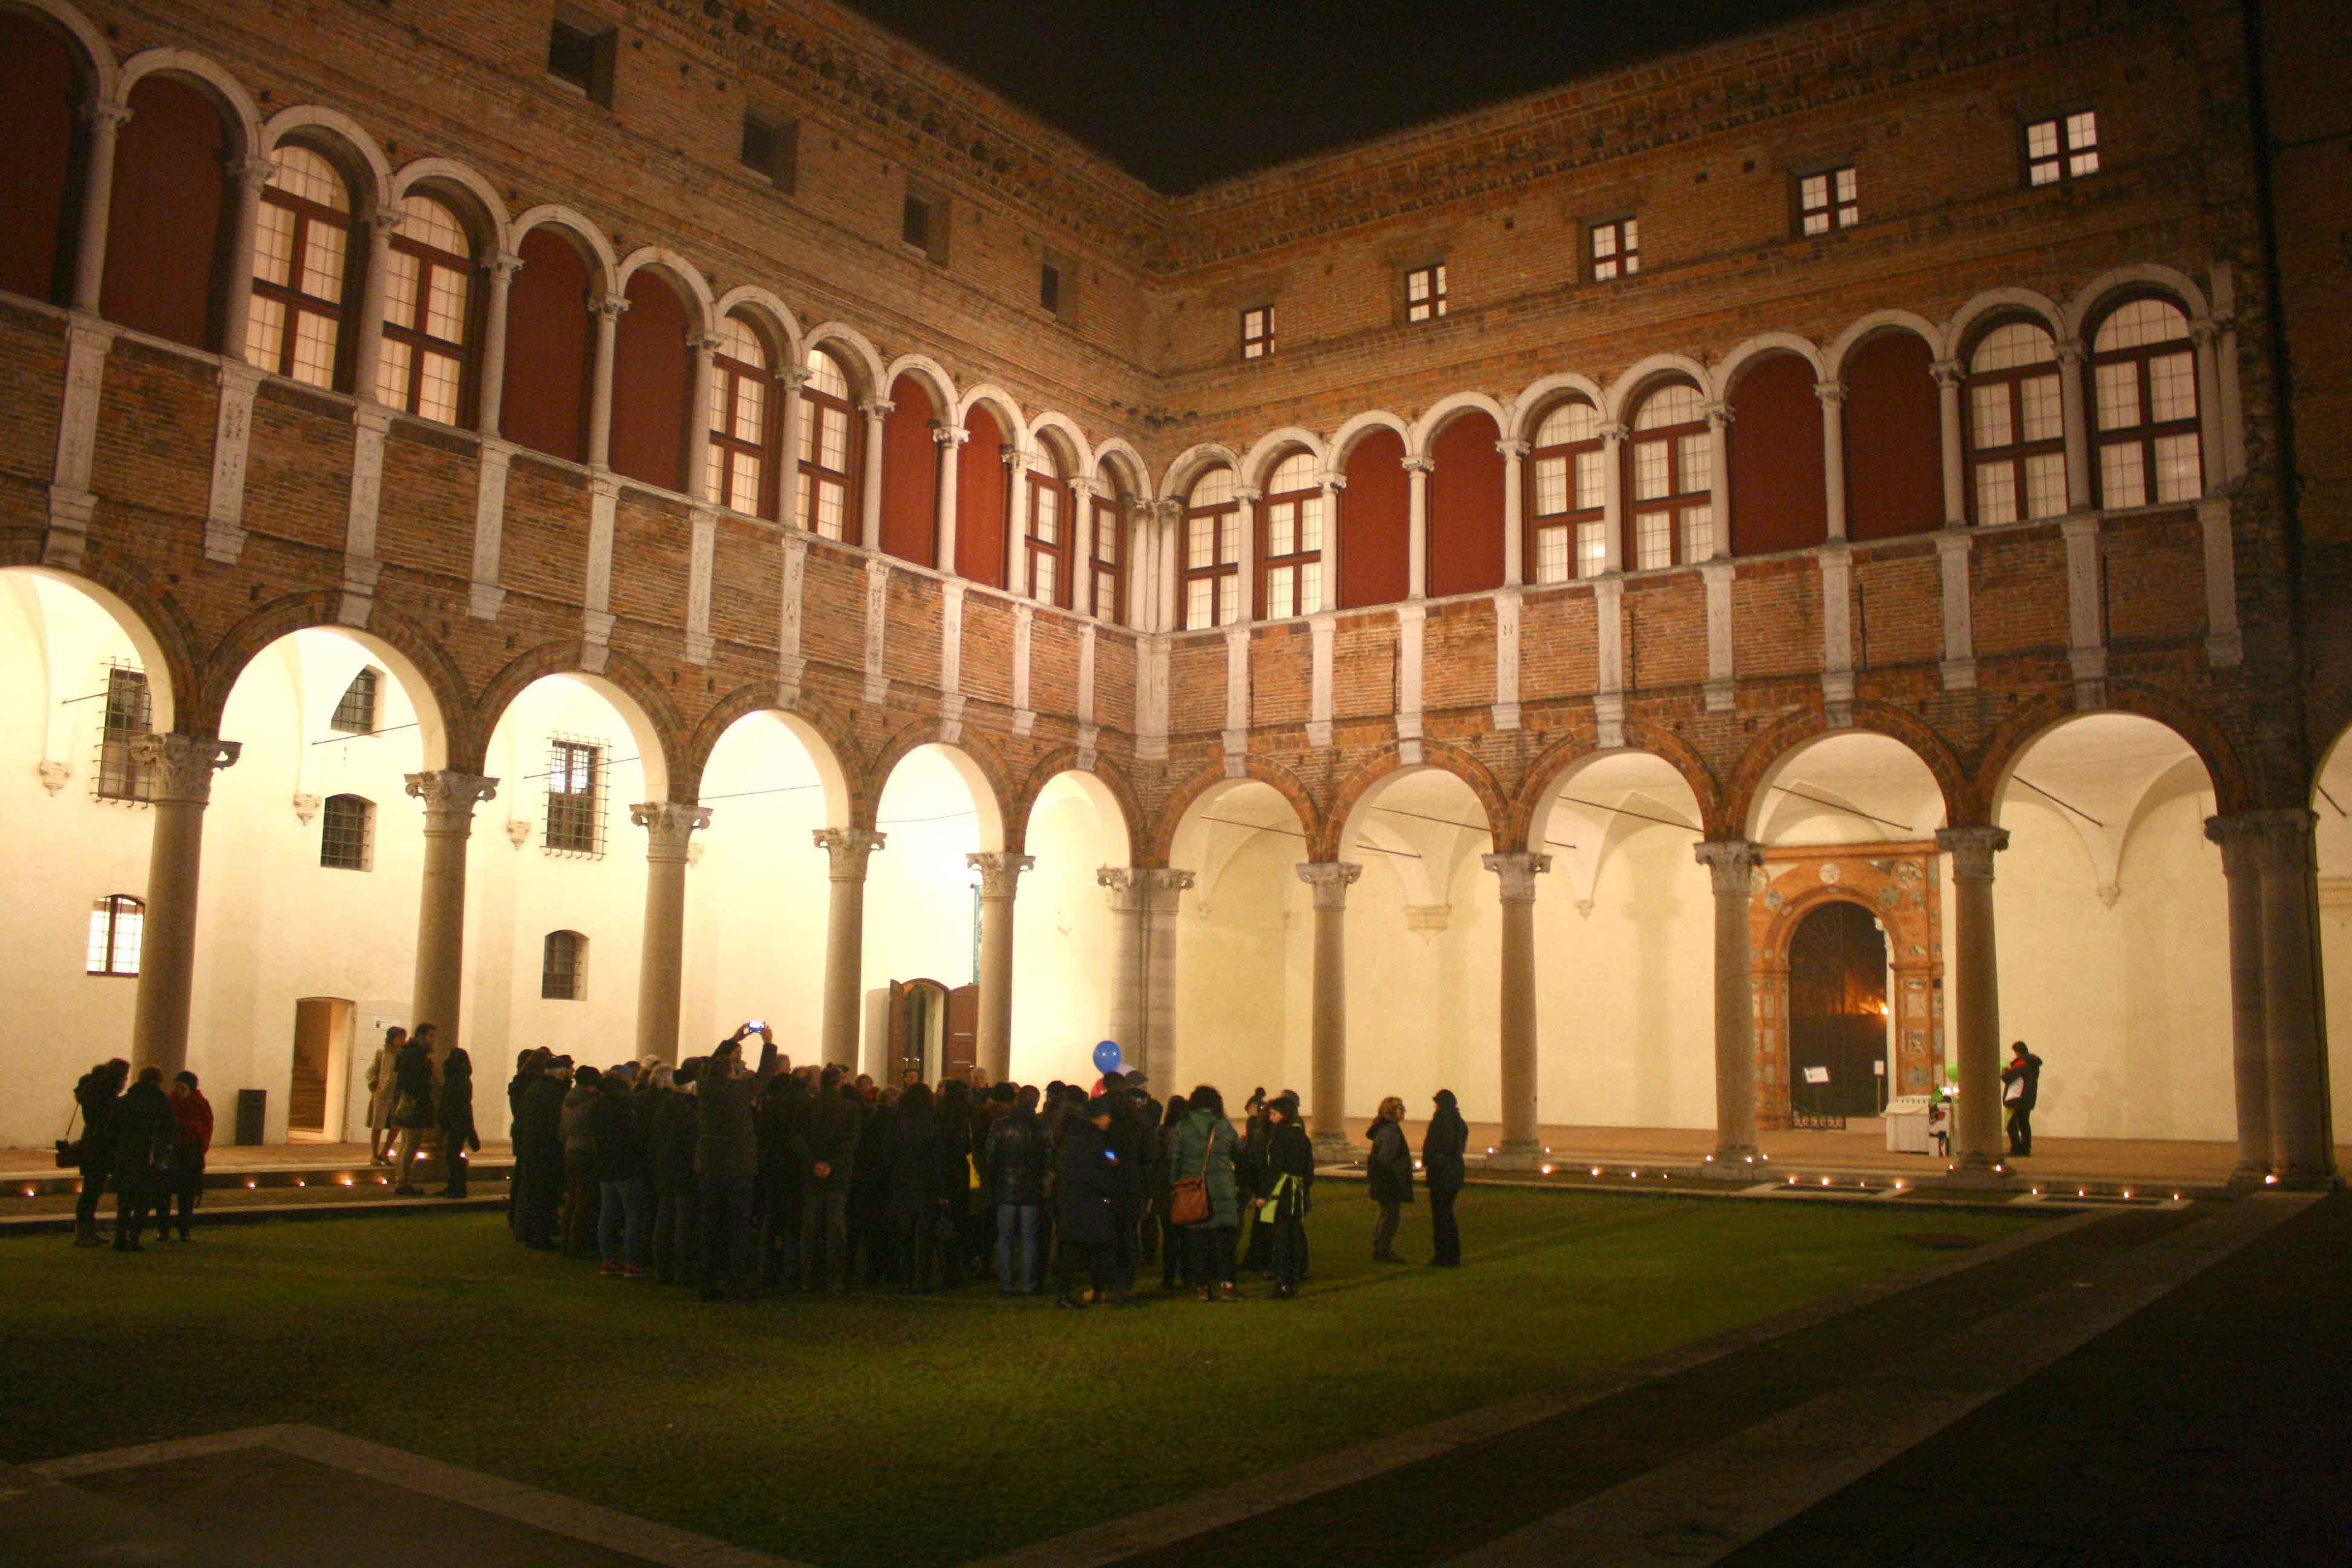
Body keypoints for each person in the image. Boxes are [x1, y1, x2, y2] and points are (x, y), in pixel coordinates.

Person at [694, 1024, 780, 1300]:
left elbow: (708, 1065)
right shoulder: (739, 1091)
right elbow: (766, 1074)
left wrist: (733, 1040)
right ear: (732, 1073)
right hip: (738, 1167)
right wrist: (768, 1043)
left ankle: (707, 1283)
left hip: (709, 1164)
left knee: (709, 1225)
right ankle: (735, 1283)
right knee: (738, 1228)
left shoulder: (706, 1089)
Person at [1171, 1085, 1240, 1302]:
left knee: (1199, 1244)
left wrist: (1175, 1185)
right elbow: (1239, 1153)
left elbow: (1176, 1160)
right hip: (1223, 1191)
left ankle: (1202, 1287)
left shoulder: (1184, 1128)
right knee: (1226, 1244)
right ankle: (1227, 1286)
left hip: (1194, 1192)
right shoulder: (1225, 1127)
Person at [1053, 1094, 1120, 1308]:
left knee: (1069, 1250)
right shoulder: (1096, 1140)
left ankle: (1064, 1294)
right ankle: (1099, 1291)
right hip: (1092, 1201)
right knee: (1101, 1248)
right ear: (1100, 1117)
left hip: (1070, 1199)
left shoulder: (1071, 1137)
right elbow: (1096, 1173)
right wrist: (1111, 1180)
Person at [799, 1064, 860, 1292]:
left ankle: (808, 1278)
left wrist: (814, 1162)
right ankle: (835, 1279)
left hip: (812, 1172)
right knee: (836, 1227)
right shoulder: (850, 1108)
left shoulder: (807, 1106)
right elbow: (850, 1143)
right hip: (838, 1174)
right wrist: (831, 1164)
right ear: (840, 1082)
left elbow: (798, 1137)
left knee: (811, 1226)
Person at [985, 1084, 1049, 1294]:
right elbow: (1049, 1159)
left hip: (1005, 1186)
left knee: (1005, 1237)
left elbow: (990, 1157)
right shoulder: (1041, 1127)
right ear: (1036, 1102)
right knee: (1029, 1237)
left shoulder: (1000, 1125)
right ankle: (1026, 1282)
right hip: (1031, 1187)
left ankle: (1006, 1282)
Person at [595, 1061, 651, 1278]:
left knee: (607, 1214)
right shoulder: (629, 1103)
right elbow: (636, 1134)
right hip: (627, 1165)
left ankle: (608, 1260)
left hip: (606, 1165)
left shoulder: (598, 1104)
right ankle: (632, 1262)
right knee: (633, 1216)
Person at [111, 1065, 176, 1252]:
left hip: (126, 1155)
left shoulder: (127, 1100)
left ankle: (120, 1238)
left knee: (124, 1200)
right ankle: (134, 1238)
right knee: (143, 1200)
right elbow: (170, 1128)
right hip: (148, 1157)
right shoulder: (161, 1101)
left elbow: (114, 1127)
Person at [887, 1081, 942, 1290]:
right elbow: (936, 1159)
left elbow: (888, 1153)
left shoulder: (897, 1122)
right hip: (925, 1183)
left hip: (901, 1180)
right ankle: (922, 1277)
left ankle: (906, 1276)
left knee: (905, 1233)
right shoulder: (932, 1123)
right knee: (924, 1233)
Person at [1258, 1093, 1314, 1298]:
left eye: (1274, 1114)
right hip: (1297, 1192)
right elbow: (1309, 1171)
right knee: (1295, 1234)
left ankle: (1282, 1281)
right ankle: (1294, 1274)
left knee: (1281, 1238)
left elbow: (1275, 1168)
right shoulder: (1302, 1137)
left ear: (1283, 1115)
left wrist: (1264, 1195)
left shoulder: (1280, 1136)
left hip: (1282, 1192)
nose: (1271, 1118)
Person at [651, 1060, 702, 1284]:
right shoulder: (691, 1110)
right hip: (684, 1171)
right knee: (684, 1224)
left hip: (664, 1168)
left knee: (664, 1220)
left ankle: (662, 1269)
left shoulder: (664, 1105)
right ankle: (682, 1271)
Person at [70, 1058, 127, 1248]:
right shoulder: (104, 1095)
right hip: (99, 1146)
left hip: (92, 1144)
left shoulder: (92, 1092)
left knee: (92, 1190)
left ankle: (87, 1231)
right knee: (92, 1190)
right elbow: (107, 1121)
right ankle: (83, 1233)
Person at [515, 1056, 570, 1248]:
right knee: (545, 1194)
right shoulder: (556, 1092)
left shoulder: (535, 1088)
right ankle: (540, 1236)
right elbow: (557, 1122)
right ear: (561, 1073)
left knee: (531, 1192)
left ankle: (527, 1231)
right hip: (548, 1149)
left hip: (532, 1146)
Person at [388, 1023, 439, 1195]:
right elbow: (413, 1080)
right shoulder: (415, 1055)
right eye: (431, 1036)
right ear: (421, 1036)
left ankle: (401, 1178)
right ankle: (402, 1182)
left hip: (412, 1102)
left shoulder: (410, 1052)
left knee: (408, 1142)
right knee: (412, 1142)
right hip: (415, 1104)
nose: (433, 1040)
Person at [560, 1063, 603, 1256]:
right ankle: (579, 1244)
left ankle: (567, 1240)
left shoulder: (570, 1098)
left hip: (571, 1148)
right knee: (585, 1200)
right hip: (585, 1152)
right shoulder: (590, 1102)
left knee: (574, 1197)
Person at [165, 1070, 213, 1241]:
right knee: (165, 1193)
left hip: (191, 1155)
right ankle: (164, 1230)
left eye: (182, 1087)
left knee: (187, 1195)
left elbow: (206, 1128)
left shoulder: (200, 1104)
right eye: (176, 1086)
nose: (178, 1090)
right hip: (172, 1154)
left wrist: (186, 1130)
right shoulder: (169, 1102)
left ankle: (184, 1229)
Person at [1422, 1087, 1468, 1267]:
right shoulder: (1459, 1122)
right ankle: (1452, 1254)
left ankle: (1444, 1255)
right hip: (1454, 1173)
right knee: (1447, 1215)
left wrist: (1432, 1161)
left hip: (1442, 1174)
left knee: (1441, 1217)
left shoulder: (1442, 1121)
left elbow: (1439, 1146)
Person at [1367, 1095, 1414, 1263]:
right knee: (1390, 1216)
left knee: (1385, 1214)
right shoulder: (1390, 1131)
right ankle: (1383, 1250)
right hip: (1390, 1180)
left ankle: (1381, 1249)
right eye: (1401, 1107)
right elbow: (1385, 1158)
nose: (1404, 1111)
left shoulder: (1385, 1129)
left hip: (1385, 1178)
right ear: (1393, 1112)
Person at [1155, 1093, 1190, 1291]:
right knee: (1186, 1235)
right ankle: (1187, 1275)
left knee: (1169, 1236)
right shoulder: (1188, 1133)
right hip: (1186, 1186)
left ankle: (1169, 1277)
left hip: (1167, 1187)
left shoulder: (1162, 1132)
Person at [436, 1048, 480, 1198]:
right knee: (453, 1155)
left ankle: (457, 1187)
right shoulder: (463, 1077)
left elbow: (453, 1102)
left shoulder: (456, 1078)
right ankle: (456, 1186)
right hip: (459, 1121)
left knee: (453, 1156)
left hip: (456, 1121)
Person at [365, 1027, 405, 1165]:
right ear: (392, 1038)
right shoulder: (382, 1053)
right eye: (399, 1037)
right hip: (383, 1094)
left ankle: (385, 1153)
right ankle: (374, 1155)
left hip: (397, 1094)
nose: (402, 1040)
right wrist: (374, 1085)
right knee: (378, 1125)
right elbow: (371, 1070)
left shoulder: (404, 1054)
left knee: (396, 1125)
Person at [2002, 1040, 2044, 1158]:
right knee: (2024, 1123)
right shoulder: (2033, 1064)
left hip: (2018, 1098)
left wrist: (2005, 1072)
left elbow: (2009, 1078)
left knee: (2011, 1124)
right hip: (2028, 1098)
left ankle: (2016, 1149)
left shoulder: (2021, 1064)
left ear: (2018, 1052)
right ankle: (2026, 1148)